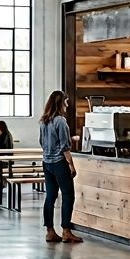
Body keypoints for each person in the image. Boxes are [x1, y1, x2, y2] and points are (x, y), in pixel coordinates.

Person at [38, 91, 81, 244]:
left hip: (46, 162)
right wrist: (71, 165)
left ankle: (50, 231)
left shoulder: (43, 121)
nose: (67, 105)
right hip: (59, 163)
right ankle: (66, 230)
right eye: (66, 101)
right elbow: (64, 146)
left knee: (50, 196)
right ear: (60, 103)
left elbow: (41, 142)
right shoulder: (61, 121)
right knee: (68, 195)